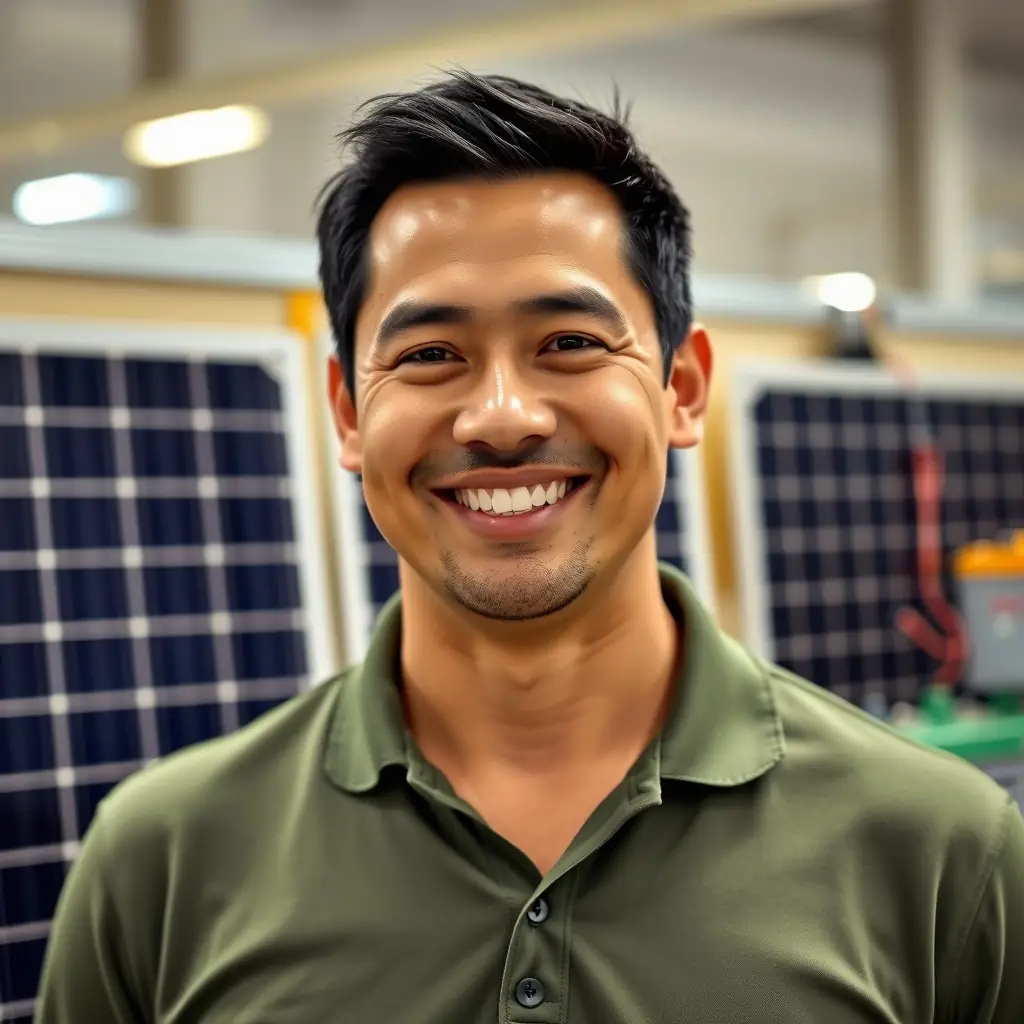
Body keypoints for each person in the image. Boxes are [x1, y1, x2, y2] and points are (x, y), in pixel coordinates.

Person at [37, 71, 1023, 1024]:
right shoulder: (159, 861)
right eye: (429, 354)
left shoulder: (942, 850)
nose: (502, 417)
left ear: (682, 386)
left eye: (569, 342)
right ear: (346, 410)